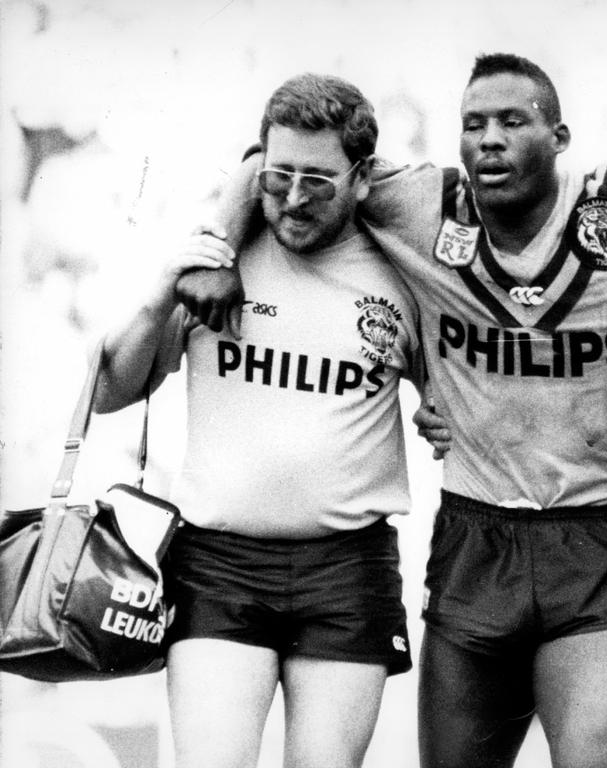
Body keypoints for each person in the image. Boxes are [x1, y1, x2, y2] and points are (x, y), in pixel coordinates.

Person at [178, 53, 607, 768]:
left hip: (595, 540)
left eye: (512, 121)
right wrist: (216, 247)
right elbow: (282, 162)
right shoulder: (417, 204)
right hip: (476, 537)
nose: (489, 138)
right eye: (473, 124)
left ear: (560, 137)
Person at [94, 73, 421, 768]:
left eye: (318, 182)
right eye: (277, 178)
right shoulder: (220, 255)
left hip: (347, 566)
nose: (295, 200)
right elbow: (107, 391)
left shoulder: (400, 272)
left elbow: (468, 386)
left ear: (362, 178)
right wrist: (162, 293)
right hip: (220, 563)